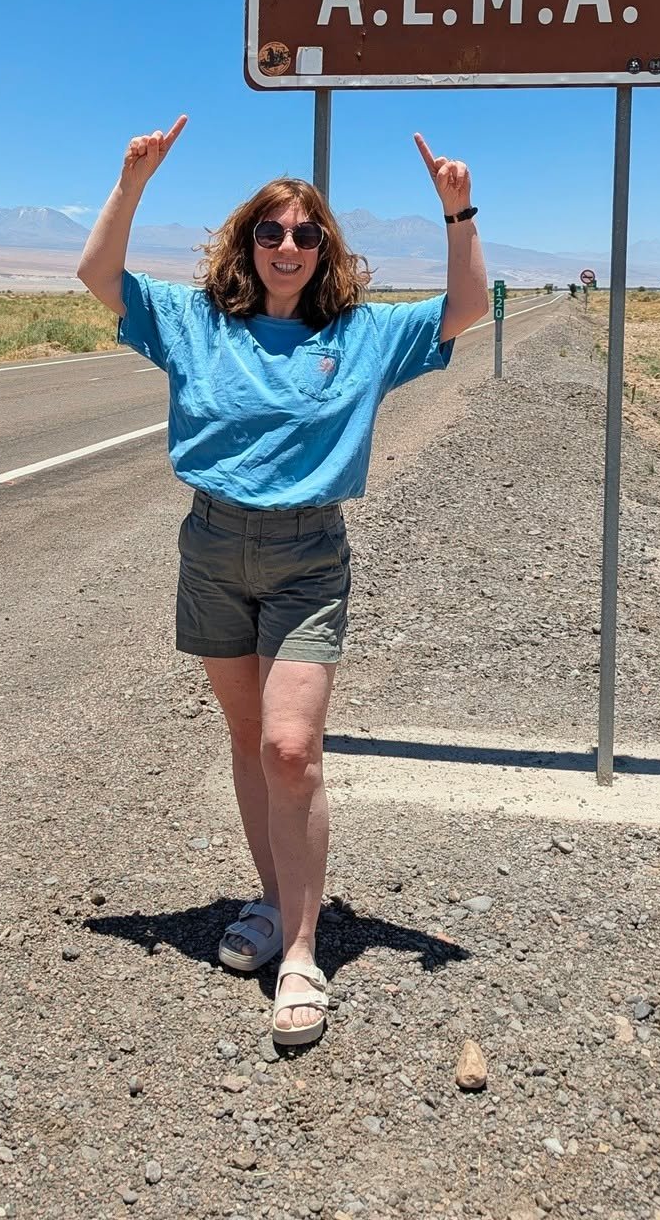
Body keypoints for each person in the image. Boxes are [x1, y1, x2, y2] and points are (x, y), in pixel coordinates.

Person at [75, 117, 488, 1047]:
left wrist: (460, 213)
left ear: (326, 249)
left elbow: (464, 311)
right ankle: (270, 900)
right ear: (247, 243)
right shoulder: (195, 322)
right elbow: (99, 277)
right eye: (271, 232)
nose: (288, 247)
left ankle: (301, 948)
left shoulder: (363, 334)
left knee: (292, 748)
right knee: (248, 736)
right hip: (213, 545)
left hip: (308, 554)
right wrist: (131, 179)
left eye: (306, 234)